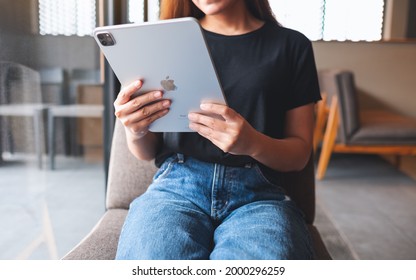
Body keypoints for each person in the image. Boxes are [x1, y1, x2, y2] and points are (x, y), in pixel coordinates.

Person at [114, 0, 321, 260]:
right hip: (176, 186)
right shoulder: (164, 41)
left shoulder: (292, 46)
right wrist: (135, 130)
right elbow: (147, 152)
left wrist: (252, 143)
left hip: (258, 196)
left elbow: (299, 154)